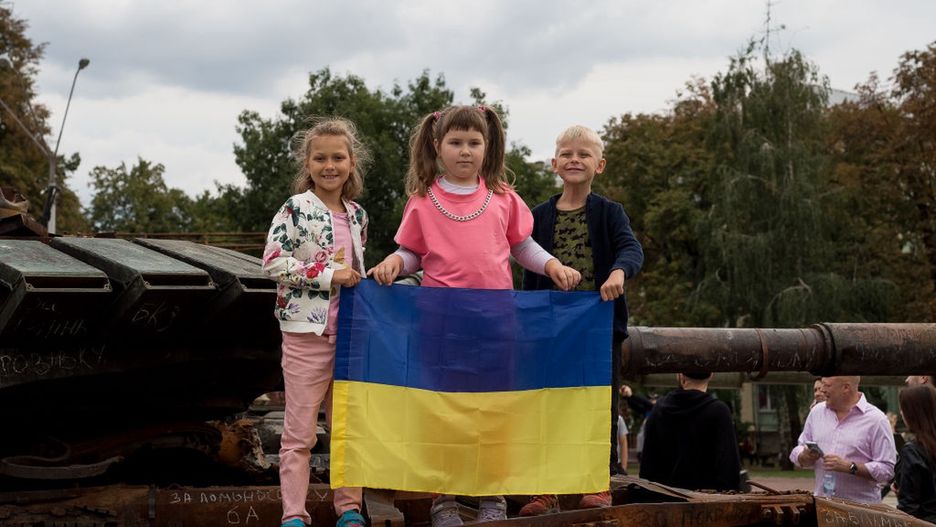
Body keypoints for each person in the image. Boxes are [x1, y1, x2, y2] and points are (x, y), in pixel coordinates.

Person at [367, 105, 581, 527]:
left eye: (473, 142)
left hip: (496, 326)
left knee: (492, 411)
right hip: (441, 327)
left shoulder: (503, 198)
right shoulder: (423, 201)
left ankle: (491, 495)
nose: (465, 151)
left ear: (487, 146)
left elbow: (522, 246)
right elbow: (413, 252)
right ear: (437, 146)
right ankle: (444, 498)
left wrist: (552, 265)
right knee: (445, 411)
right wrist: (394, 262)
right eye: (455, 142)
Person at [518, 125, 644, 516]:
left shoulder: (610, 213)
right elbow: (523, 262)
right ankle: (545, 487)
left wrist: (619, 272)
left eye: (584, 154)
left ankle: (597, 483)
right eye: (567, 154)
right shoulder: (537, 216)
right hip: (549, 329)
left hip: (597, 329)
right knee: (547, 407)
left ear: (599, 165)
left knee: (598, 407)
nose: (575, 159)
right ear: (554, 164)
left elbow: (630, 248)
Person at [262, 118, 370, 527]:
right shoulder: (295, 209)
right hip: (305, 336)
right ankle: (294, 513)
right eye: (320, 158)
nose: (330, 166)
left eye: (338, 157)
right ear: (307, 164)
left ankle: (349, 509)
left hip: (350, 337)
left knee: (346, 427)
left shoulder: (357, 215)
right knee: (300, 433)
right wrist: (328, 275)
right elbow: (273, 263)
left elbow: (355, 269)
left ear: (351, 162)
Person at [790, 376, 896, 503]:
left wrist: (850, 467)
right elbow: (798, 450)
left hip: (860, 510)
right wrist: (804, 456)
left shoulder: (877, 420)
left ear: (846, 388)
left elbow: (887, 470)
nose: (822, 390)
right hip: (822, 506)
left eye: (827, 385)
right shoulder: (816, 412)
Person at [638, 372, 742, 491]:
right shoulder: (719, 412)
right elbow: (729, 468)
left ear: (679, 375)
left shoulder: (659, 410)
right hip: (705, 499)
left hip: (664, 497)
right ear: (711, 375)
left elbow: (647, 468)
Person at [893, 384, 936, 522]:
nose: (901, 413)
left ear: (913, 413)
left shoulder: (912, 451)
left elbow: (909, 508)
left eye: (903, 408)